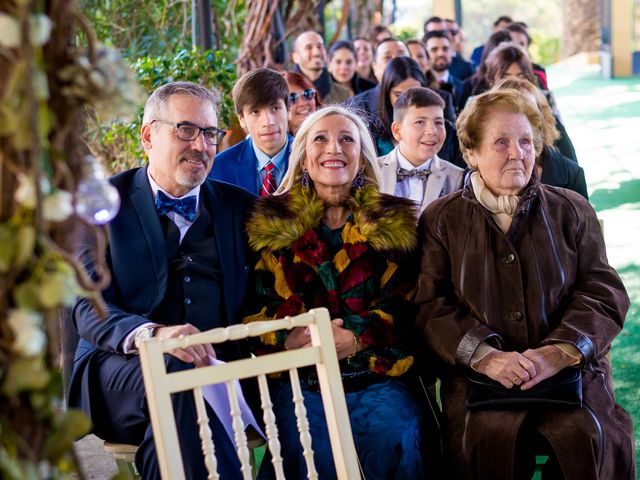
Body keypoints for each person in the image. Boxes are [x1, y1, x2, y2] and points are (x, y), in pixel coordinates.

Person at [414, 89, 635, 479]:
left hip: (571, 380)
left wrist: (560, 351)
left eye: (526, 141)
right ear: (471, 153)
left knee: (591, 436)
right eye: (501, 142)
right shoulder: (441, 219)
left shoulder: (571, 209)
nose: (517, 153)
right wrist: (486, 357)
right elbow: (432, 306)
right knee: (480, 441)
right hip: (479, 385)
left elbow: (603, 292)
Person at [68, 82, 255, 479]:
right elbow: (87, 306)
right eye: (186, 130)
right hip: (119, 370)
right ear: (148, 135)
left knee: (171, 431)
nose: (201, 145)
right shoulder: (100, 203)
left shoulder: (241, 208)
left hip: (219, 372)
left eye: (210, 133)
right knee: (177, 370)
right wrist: (151, 335)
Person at [244, 105, 425, 479]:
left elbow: (407, 304)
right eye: (320, 139)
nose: (334, 148)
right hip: (300, 377)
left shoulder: (394, 222)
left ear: (362, 155)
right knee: (308, 445)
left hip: (378, 373)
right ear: (303, 155)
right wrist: (288, 339)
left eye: (347, 139)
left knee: (393, 433)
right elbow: (254, 306)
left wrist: (357, 336)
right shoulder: (271, 222)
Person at [492, 77, 587, 198]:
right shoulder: (479, 174)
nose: (520, 120)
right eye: (510, 111)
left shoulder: (571, 174)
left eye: (529, 110)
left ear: (543, 117)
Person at [378, 87, 464, 214]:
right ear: (397, 131)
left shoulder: (457, 178)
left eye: (439, 122)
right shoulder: (372, 171)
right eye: (420, 122)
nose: (432, 131)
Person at [210, 68, 293, 195]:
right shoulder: (218, 168)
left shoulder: (310, 159)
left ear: (288, 111)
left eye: (275, 108)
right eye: (255, 112)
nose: (267, 122)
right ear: (241, 119)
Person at [292, 30, 351, 104]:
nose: (316, 52)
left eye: (319, 46)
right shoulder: (286, 93)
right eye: (309, 47)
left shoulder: (343, 94)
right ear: (295, 57)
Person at [423, 31, 463, 110]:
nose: (441, 54)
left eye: (445, 49)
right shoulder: (419, 85)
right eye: (434, 49)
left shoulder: (461, 86)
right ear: (425, 53)